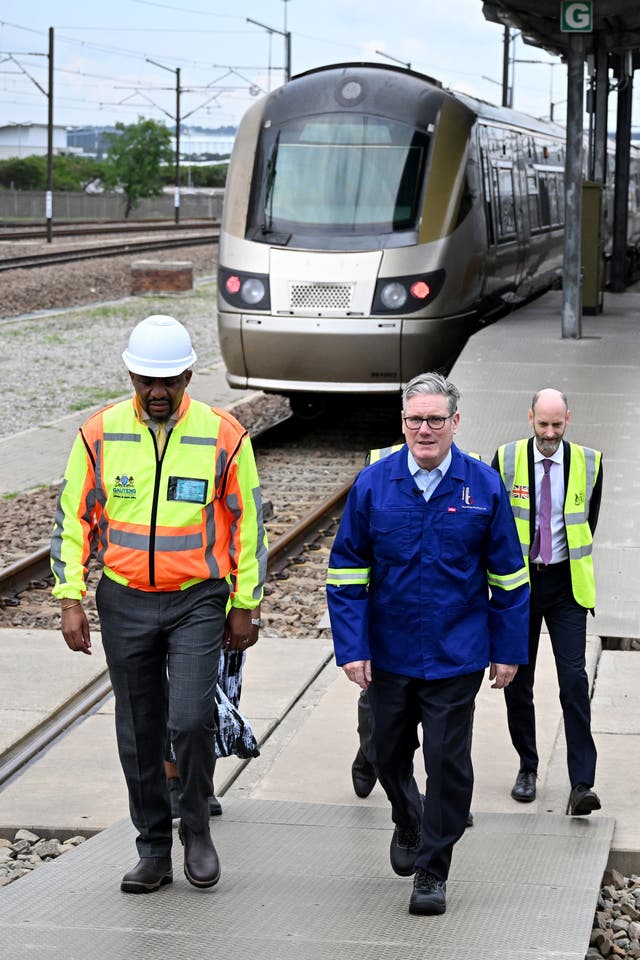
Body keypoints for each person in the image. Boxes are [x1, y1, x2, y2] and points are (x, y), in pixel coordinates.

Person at [51, 314, 267, 894]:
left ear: (189, 376)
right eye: (146, 380)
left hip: (197, 599)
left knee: (191, 719)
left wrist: (244, 602)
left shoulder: (224, 435)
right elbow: (73, 520)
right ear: (130, 374)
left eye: (169, 381)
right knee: (139, 729)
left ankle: (195, 826)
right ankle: (152, 849)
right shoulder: (99, 433)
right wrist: (70, 596)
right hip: (124, 600)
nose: (157, 392)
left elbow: (249, 524)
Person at [327, 372, 529, 916]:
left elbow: (509, 576)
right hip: (389, 652)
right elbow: (347, 570)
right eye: (414, 419)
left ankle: (433, 869)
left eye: (435, 419)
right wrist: (352, 646)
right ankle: (407, 816)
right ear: (403, 423)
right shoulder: (374, 484)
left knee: (448, 761)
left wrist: (508, 649)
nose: (424, 429)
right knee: (385, 752)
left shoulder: (483, 487)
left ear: (455, 423)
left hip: (455, 652)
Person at [492, 388, 603, 816]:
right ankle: (528, 766)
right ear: (530, 418)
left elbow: (588, 520)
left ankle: (582, 783)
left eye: (558, 425)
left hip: (566, 587)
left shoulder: (590, 462)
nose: (550, 433)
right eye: (543, 424)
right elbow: (495, 524)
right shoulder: (504, 459)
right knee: (518, 681)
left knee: (574, 681)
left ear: (568, 420)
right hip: (520, 587)